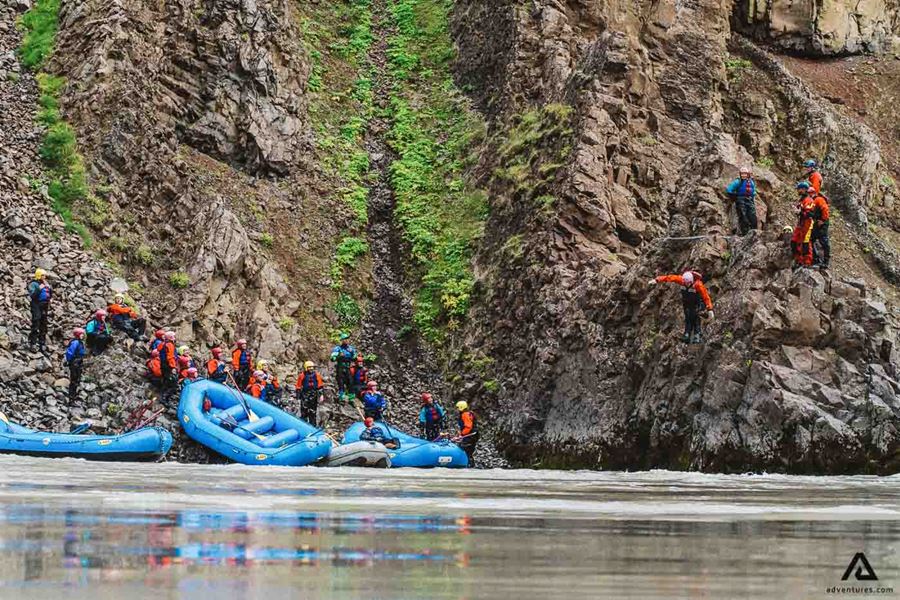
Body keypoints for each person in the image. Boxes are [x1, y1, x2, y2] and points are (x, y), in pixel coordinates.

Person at [648, 271, 714, 344]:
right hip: (686, 303)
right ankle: (687, 334)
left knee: (695, 317)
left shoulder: (698, 285)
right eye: (685, 282)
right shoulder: (681, 280)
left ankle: (697, 335)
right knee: (687, 317)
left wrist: (709, 309)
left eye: (688, 283)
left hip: (696, 303)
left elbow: (706, 297)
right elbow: (670, 277)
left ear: (691, 281)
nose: (686, 284)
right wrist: (657, 280)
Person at [725, 166, 758, 235]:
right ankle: (745, 234)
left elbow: (754, 191)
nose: (744, 175)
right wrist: (735, 195)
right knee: (743, 217)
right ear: (740, 174)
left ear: (748, 174)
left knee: (753, 217)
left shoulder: (751, 182)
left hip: (750, 200)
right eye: (742, 174)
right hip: (740, 200)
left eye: (745, 174)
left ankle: (754, 233)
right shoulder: (738, 181)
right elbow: (729, 189)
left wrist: (753, 195)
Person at [26, 268, 52, 352]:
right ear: (39, 275)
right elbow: (32, 295)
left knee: (43, 324)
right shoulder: (33, 284)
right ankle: (33, 342)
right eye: (43, 275)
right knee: (36, 321)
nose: (44, 277)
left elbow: (49, 293)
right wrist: (39, 289)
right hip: (36, 305)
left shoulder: (45, 283)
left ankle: (42, 342)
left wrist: (50, 295)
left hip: (45, 305)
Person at [791, 182, 816, 268]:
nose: (798, 191)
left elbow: (810, 213)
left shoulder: (808, 200)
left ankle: (807, 261)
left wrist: (800, 212)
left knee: (805, 242)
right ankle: (798, 259)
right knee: (795, 240)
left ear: (804, 189)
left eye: (799, 189)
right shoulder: (802, 200)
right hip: (801, 223)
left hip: (807, 223)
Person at [295, 361, 324, 426]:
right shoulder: (302, 375)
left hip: (314, 394)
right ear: (306, 368)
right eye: (309, 367)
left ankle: (313, 424)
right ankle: (303, 423)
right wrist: (298, 396)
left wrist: (321, 395)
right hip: (305, 394)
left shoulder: (317, 375)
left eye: (312, 367)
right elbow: (298, 386)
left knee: (313, 411)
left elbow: (320, 385)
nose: (311, 368)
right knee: (304, 410)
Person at [330, 332, 358, 401]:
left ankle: (351, 397)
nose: (346, 340)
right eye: (344, 339)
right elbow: (332, 357)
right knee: (341, 382)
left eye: (347, 339)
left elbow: (355, 356)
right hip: (340, 367)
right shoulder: (338, 348)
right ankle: (341, 396)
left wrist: (355, 357)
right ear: (342, 340)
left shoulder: (351, 349)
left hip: (348, 367)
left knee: (350, 381)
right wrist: (338, 356)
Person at [808, 186, 830, 269]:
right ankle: (816, 259)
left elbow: (825, 209)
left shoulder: (819, 200)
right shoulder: (814, 200)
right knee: (812, 239)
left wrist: (822, 220)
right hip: (817, 222)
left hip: (822, 223)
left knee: (823, 241)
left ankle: (824, 261)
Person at [453, 401, 479, 467]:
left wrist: (462, 434)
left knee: (466, 449)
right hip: (473, 435)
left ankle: (469, 465)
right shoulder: (468, 413)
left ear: (461, 408)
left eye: (458, 408)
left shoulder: (465, 415)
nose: (457, 409)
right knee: (468, 450)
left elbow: (468, 427)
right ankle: (469, 464)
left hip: (471, 435)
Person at [63, 328, 86, 401]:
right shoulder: (75, 342)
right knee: (74, 379)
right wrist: (68, 361)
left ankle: (74, 395)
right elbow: (70, 352)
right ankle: (71, 397)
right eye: (81, 334)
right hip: (74, 362)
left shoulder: (80, 342)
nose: (83, 336)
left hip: (78, 362)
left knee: (77, 379)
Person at [159, 331, 179, 399]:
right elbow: (170, 357)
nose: (175, 338)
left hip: (163, 364)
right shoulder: (170, 345)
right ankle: (165, 397)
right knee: (173, 383)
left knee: (166, 381)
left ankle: (162, 396)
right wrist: (173, 367)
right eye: (174, 336)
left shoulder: (163, 344)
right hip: (168, 365)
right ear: (171, 337)